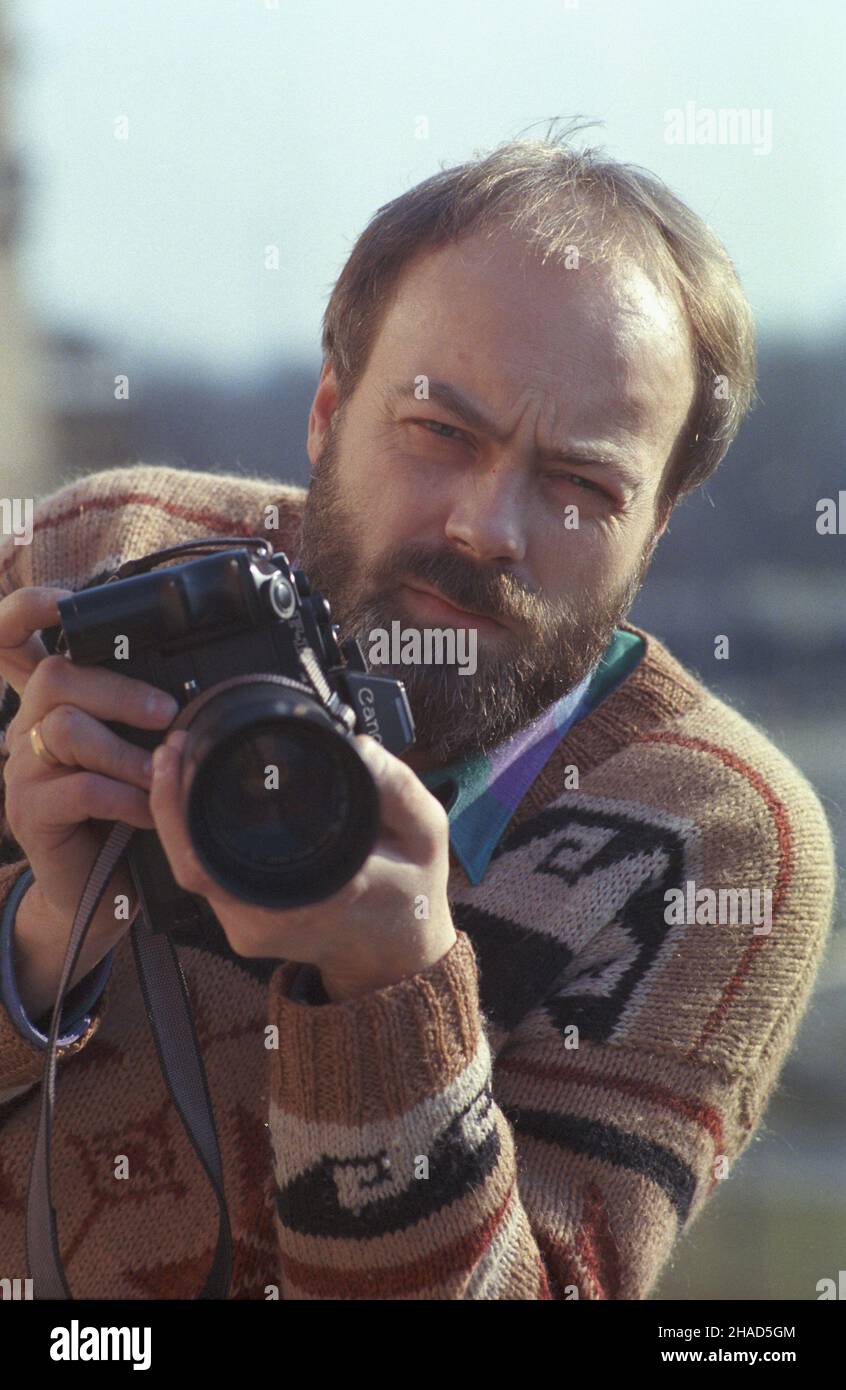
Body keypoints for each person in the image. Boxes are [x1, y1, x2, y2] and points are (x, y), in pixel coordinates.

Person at [0, 130, 836, 1300]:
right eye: (442, 433)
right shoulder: (100, 562)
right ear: (328, 412)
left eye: (581, 488)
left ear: (656, 534)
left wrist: (395, 985)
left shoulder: (711, 838)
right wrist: (44, 939)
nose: (489, 526)